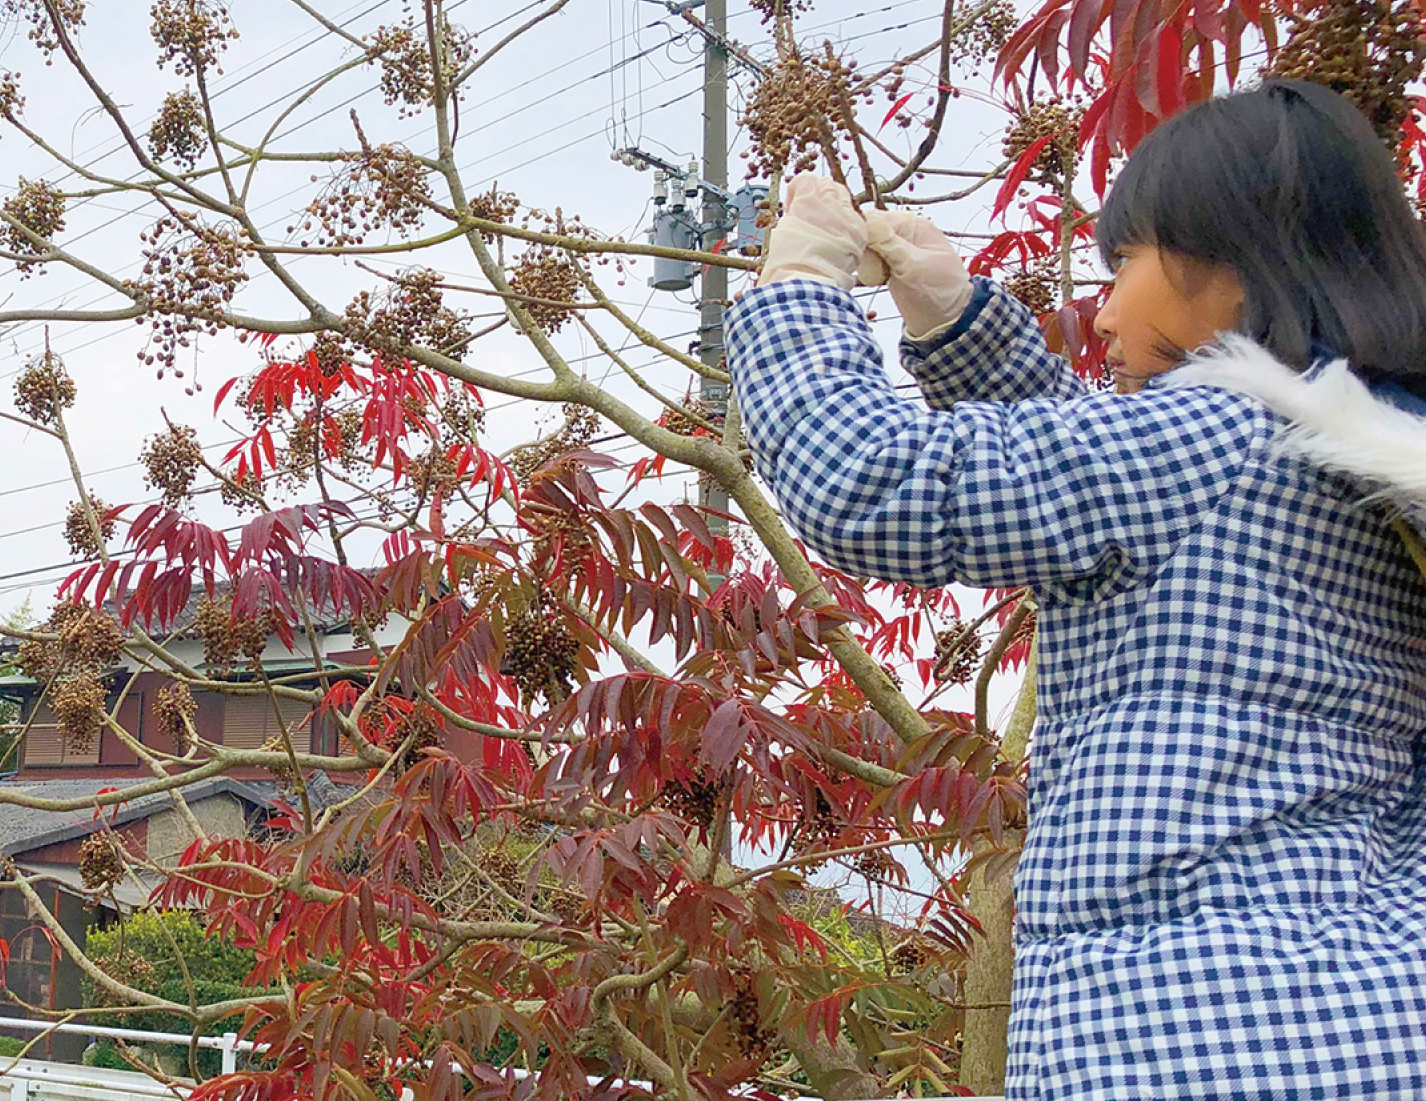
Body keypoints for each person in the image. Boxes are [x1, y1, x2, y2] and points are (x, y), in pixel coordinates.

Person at [724, 79, 1426, 1100]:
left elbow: (864, 483)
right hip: (1339, 1011)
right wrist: (956, 318)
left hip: (1185, 1030)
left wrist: (795, 293)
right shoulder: (1347, 455)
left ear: (1238, 266)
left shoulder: (1214, 440)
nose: (1103, 303)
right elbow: (1111, 506)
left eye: (1129, 260)